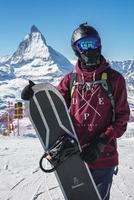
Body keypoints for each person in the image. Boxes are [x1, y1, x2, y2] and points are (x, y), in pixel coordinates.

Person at [21, 22, 130, 200]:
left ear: (100, 44)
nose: (90, 49)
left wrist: (102, 140)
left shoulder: (115, 80)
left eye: (93, 43)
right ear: (76, 50)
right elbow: (53, 109)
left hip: (104, 157)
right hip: (74, 158)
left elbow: (122, 119)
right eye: (83, 45)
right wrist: (33, 96)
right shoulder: (70, 81)